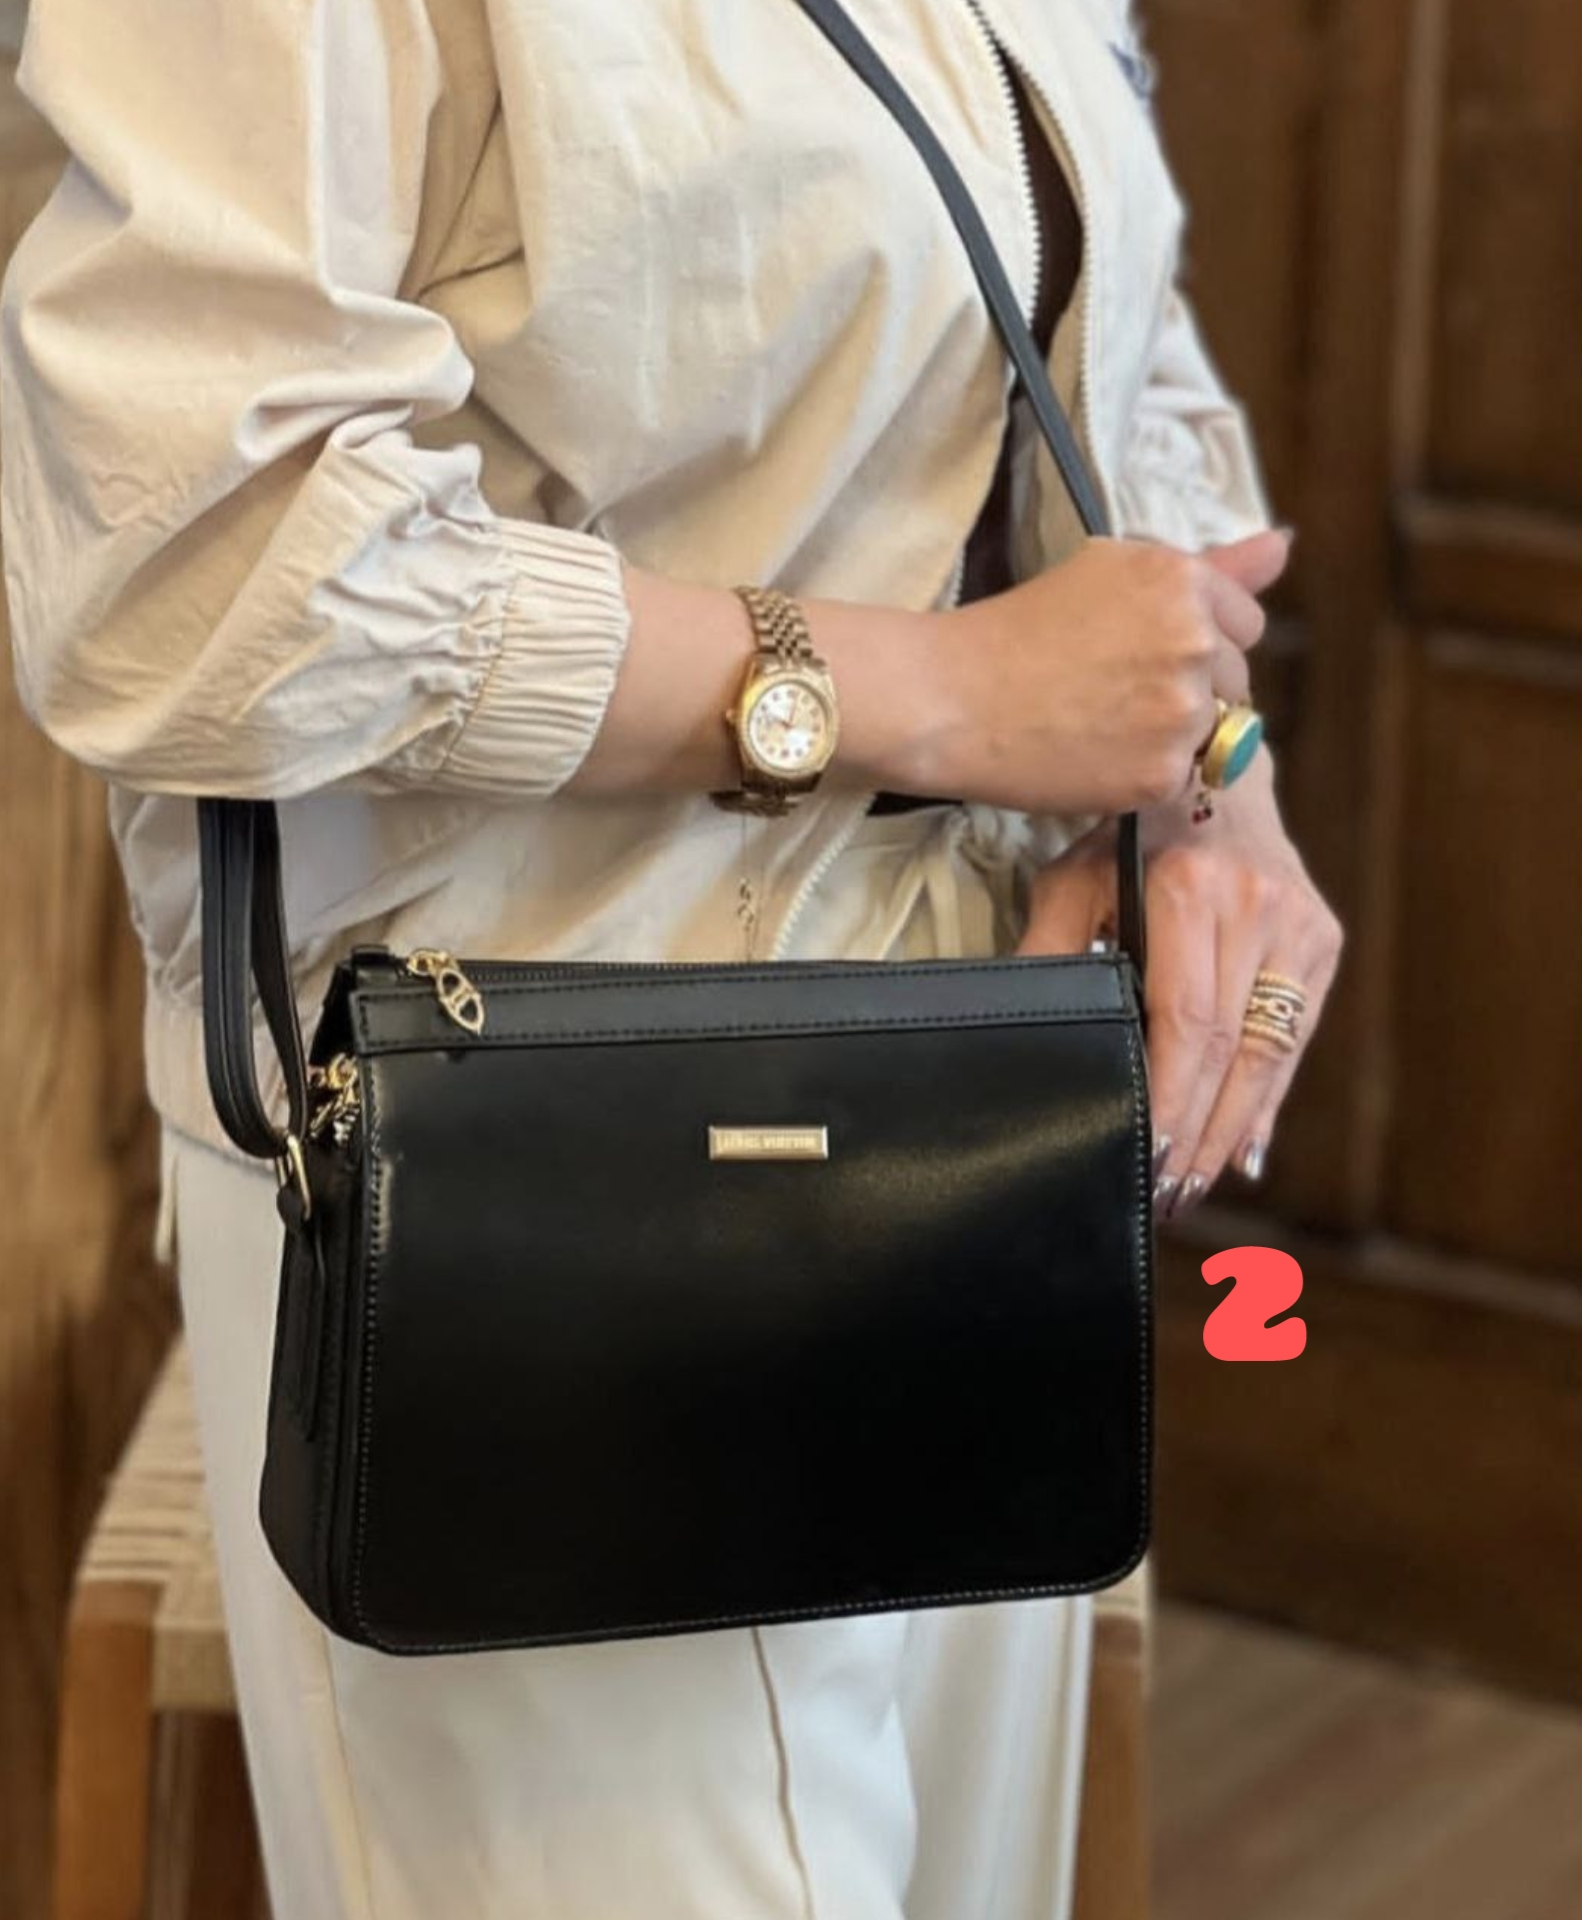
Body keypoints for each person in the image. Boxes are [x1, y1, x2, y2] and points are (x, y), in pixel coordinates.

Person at [0, 2, 1342, 1915]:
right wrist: (935, 693)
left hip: (986, 1126)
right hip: (532, 1168)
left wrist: (1213, 778)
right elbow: (191, 563)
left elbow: (1087, 320)